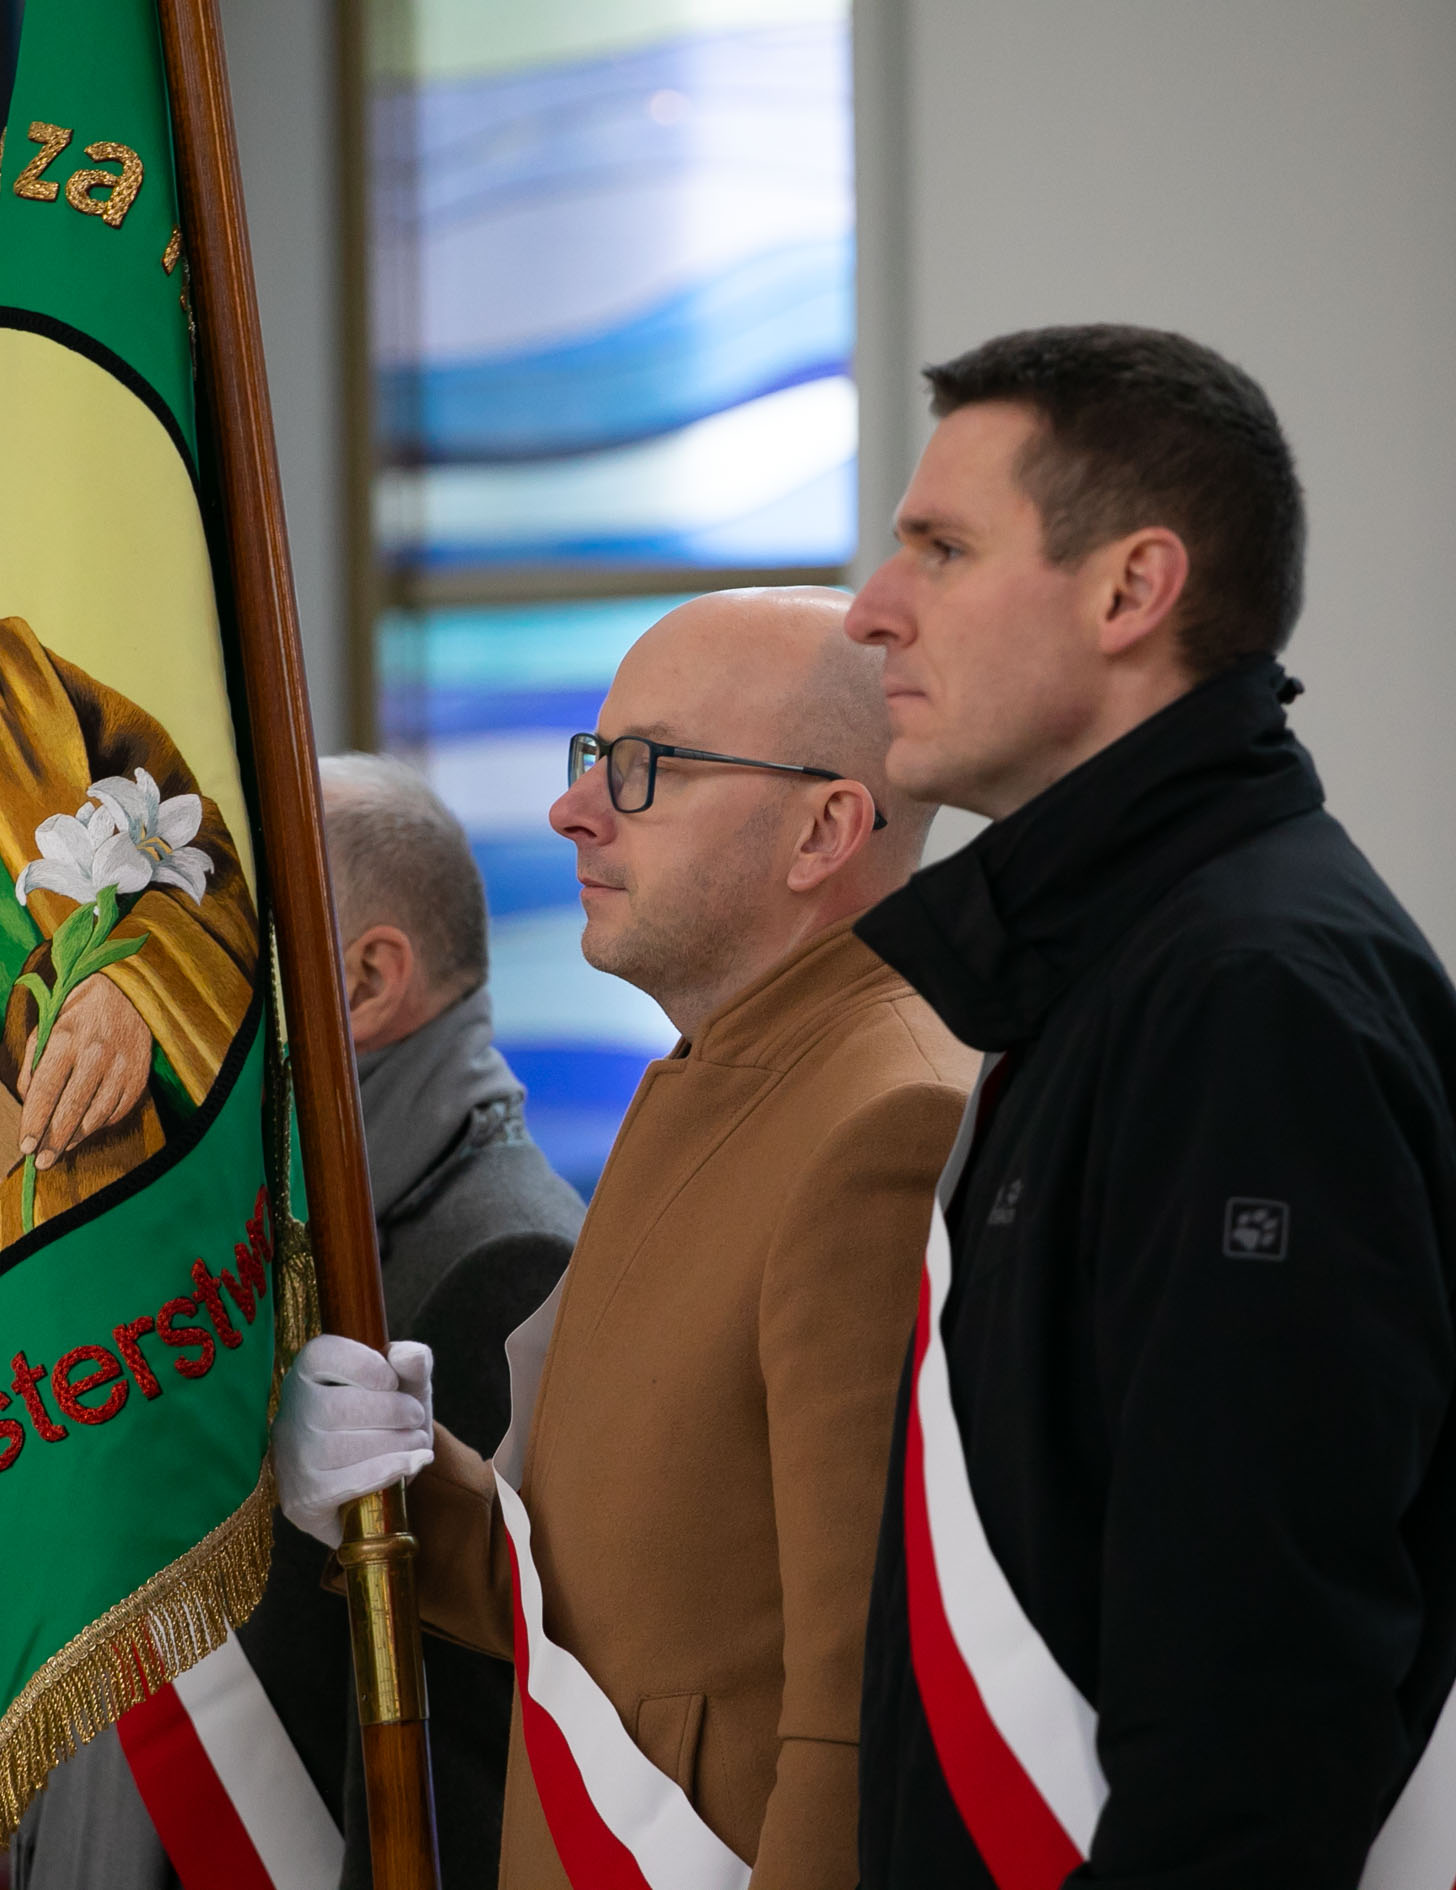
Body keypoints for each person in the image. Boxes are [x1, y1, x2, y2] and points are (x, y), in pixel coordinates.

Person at [840, 323, 1456, 1890]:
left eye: (940, 549)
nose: (871, 609)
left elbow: (1254, 1712)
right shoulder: (1110, 968)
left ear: (1128, 591)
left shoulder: (1248, 999)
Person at [275, 589, 978, 1890]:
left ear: (823, 828)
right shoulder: (727, 1073)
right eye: (592, 755)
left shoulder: (882, 1117)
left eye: (645, 766)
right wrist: (400, 1480)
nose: (574, 808)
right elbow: (619, 1609)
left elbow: (859, 1712)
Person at [14, 755, 581, 1890]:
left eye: (217, 950)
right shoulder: (263, 1244)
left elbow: (458, 1784)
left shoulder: (505, 1265)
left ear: (366, 981)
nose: (157, 995)